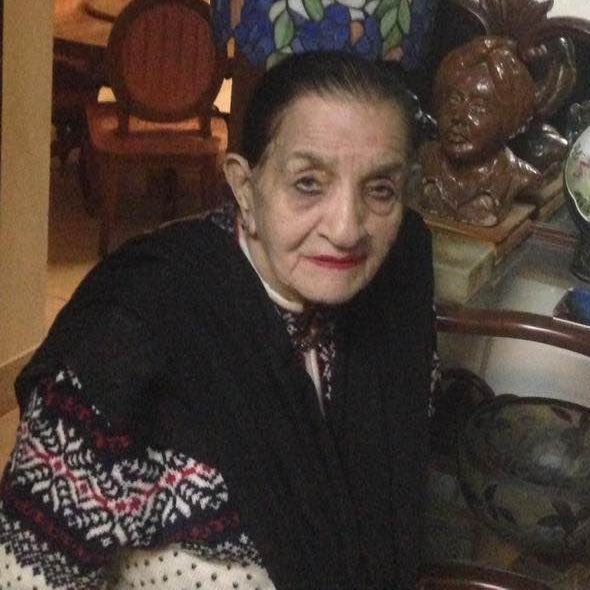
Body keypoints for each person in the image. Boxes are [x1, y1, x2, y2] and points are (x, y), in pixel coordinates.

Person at [0, 52, 437, 589]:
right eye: (308, 183)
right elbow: (32, 575)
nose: (347, 229)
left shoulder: (398, 280)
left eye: (380, 189)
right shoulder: (131, 335)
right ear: (244, 187)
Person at [418, 37, 540, 226]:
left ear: (508, 119)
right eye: (454, 100)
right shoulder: (421, 161)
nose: (458, 116)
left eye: (478, 107)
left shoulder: (520, 177)